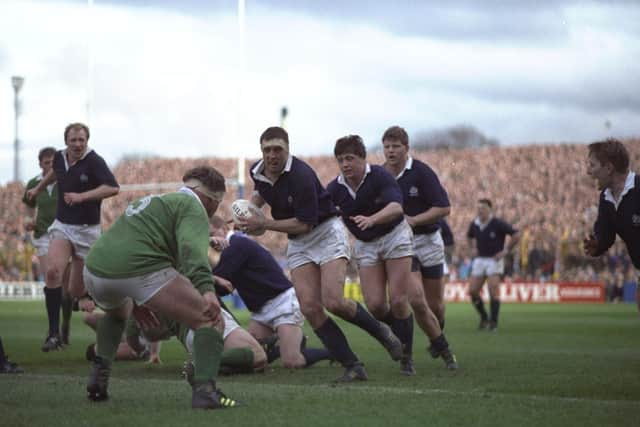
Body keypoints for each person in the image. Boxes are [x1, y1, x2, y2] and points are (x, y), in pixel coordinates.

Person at [238, 126, 402, 383]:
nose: (272, 155)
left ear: (288, 149)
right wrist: (248, 210)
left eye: (277, 149)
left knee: (334, 301)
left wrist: (264, 224)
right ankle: (353, 366)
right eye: (267, 149)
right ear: (261, 151)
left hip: (325, 232)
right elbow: (262, 192)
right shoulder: (257, 171)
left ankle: (381, 330)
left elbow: (304, 223)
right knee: (310, 308)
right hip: (299, 242)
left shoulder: (301, 175)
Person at [81, 166, 240, 409]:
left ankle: (98, 379)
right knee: (210, 319)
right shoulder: (194, 207)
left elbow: (133, 244)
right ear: (211, 199)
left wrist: (135, 302)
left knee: (117, 314)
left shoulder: (158, 200)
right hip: (141, 269)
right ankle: (205, 392)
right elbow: (190, 251)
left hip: (94, 271)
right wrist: (207, 290)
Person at [328, 135, 458, 375]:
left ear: (362, 158)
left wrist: (372, 219)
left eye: (350, 158)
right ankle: (397, 334)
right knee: (376, 305)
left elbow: (397, 207)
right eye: (340, 160)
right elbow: (321, 212)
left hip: (395, 237)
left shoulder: (379, 175)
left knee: (403, 300)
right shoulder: (335, 188)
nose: (345, 164)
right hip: (366, 244)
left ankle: (414, 355)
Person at [26, 124, 119, 351]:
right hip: (63, 226)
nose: (78, 144)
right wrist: (38, 189)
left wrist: (82, 196)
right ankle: (53, 334)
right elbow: (55, 173)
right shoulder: (59, 157)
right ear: (66, 141)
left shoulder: (95, 161)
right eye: (73, 140)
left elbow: (113, 188)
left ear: (87, 141)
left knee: (76, 290)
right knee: (52, 272)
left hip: (88, 231)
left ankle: (104, 315)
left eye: (81, 140)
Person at [209, 215, 332, 369]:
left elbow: (220, 285)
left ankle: (331, 353)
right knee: (254, 354)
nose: (211, 239)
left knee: (293, 362)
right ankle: (286, 343)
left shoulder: (235, 246)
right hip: (261, 310)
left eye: (212, 234)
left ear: (225, 228)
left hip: (283, 303)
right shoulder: (235, 246)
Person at [382, 126, 452, 330]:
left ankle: (438, 336)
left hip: (428, 240)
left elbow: (444, 207)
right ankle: (432, 341)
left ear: (407, 148)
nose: (391, 151)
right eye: (387, 147)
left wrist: (414, 220)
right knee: (414, 297)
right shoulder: (379, 175)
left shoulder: (422, 172)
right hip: (400, 244)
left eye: (396, 146)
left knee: (436, 306)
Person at [22, 147, 74, 350]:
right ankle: (53, 332)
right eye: (46, 163)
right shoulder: (34, 183)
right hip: (43, 235)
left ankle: (65, 324)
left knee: (67, 292)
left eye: (53, 162)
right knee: (52, 278)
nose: (50, 165)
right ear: (40, 164)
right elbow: (28, 204)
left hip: (64, 234)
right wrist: (29, 220)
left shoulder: (66, 180)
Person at [583, 138, 640, 312]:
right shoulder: (606, 197)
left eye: (592, 165)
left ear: (608, 168)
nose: (588, 171)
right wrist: (597, 243)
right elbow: (605, 234)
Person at [467, 199, 520, 331]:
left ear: (490, 209)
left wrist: (505, 251)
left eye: (483, 208)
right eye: (478, 208)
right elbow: (469, 236)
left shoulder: (497, 223)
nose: (480, 210)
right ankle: (484, 317)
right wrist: (472, 248)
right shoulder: (475, 224)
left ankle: (493, 322)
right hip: (480, 259)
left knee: (493, 289)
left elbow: (516, 234)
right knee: (473, 291)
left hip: (494, 260)